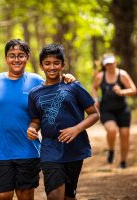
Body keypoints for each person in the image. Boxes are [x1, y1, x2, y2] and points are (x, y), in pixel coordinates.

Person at [0, 39, 76, 200]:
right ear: (6, 58)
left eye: (21, 55)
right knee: (3, 195)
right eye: (12, 56)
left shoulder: (36, 80)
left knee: (25, 195)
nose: (16, 59)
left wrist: (67, 78)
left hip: (27, 148)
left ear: (27, 57)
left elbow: (54, 88)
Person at [27, 44, 99, 200]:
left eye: (56, 63)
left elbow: (94, 114)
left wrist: (76, 129)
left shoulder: (73, 86)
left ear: (63, 65)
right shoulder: (34, 94)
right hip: (49, 149)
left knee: (69, 196)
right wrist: (32, 129)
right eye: (47, 63)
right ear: (41, 66)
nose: (52, 67)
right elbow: (35, 120)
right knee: (54, 195)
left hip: (74, 149)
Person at [92, 53, 137, 168]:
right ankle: (111, 150)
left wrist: (122, 92)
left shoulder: (122, 75)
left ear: (115, 63)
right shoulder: (100, 76)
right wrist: (96, 99)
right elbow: (94, 88)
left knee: (124, 134)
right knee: (111, 131)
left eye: (111, 63)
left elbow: (133, 90)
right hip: (107, 110)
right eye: (107, 64)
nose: (110, 66)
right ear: (104, 65)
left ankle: (123, 162)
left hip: (122, 109)